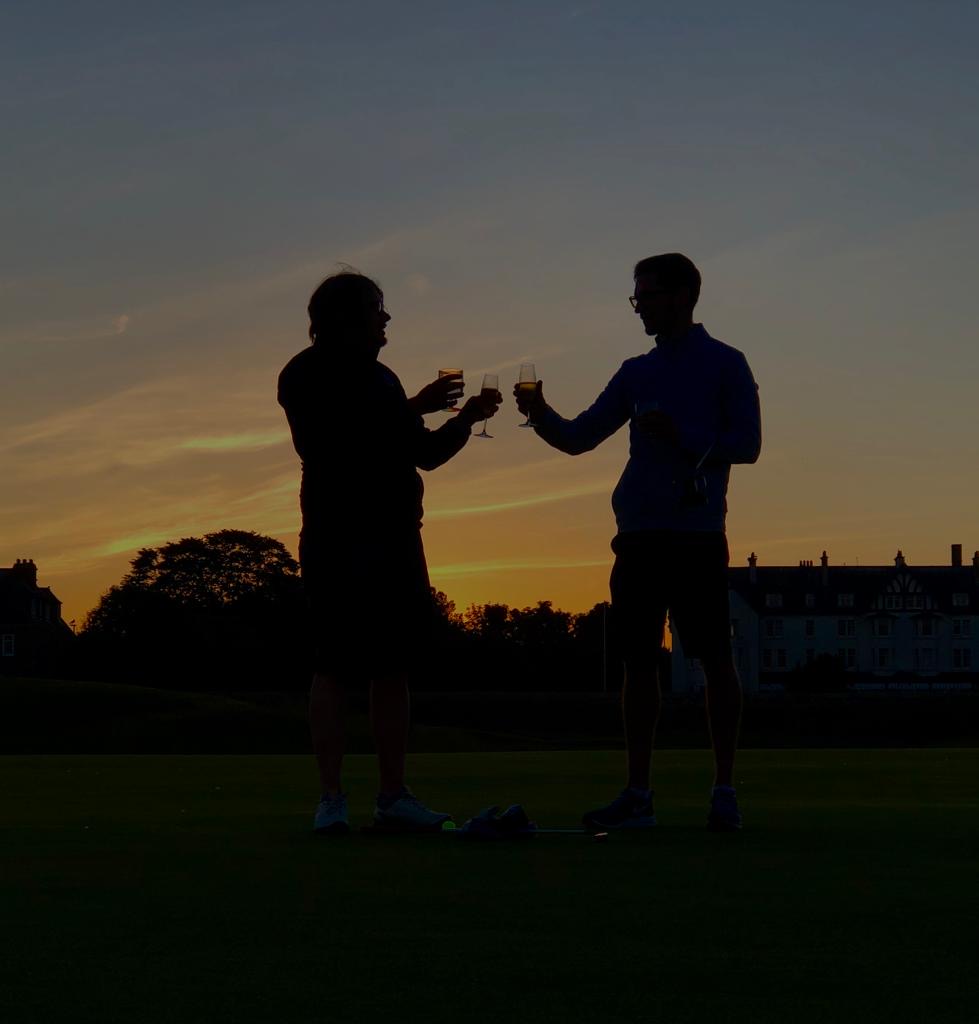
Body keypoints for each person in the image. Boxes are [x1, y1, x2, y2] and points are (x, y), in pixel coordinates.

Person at [515, 253, 761, 831]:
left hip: (697, 535)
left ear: (681, 296)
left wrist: (682, 436)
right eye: (636, 297)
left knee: (715, 659)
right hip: (638, 537)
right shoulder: (635, 372)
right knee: (637, 662)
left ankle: (724, 790)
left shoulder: (727, 364)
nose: (639, 307)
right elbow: (579, 438)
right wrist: (539, 411)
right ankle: (638, 794)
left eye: (645, 296)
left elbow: (747, 445)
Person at [278, 270, 501, 835]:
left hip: (397, 535)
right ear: (346, 317)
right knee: (333, 665)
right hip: (336, 536)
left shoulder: (383, 378)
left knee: (392, 666)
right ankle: (331, 798)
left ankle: (392, 795)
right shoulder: (304, 375)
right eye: (379, 308)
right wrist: (414, 406)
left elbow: (418, 455)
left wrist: (464, 420)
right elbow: (330, 444)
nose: (387, 319)